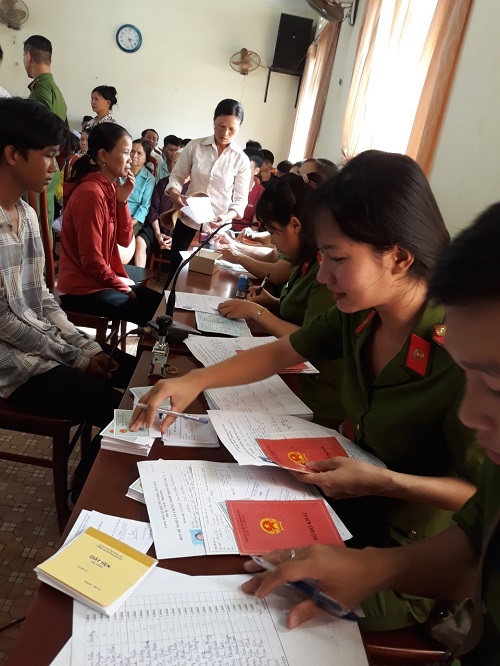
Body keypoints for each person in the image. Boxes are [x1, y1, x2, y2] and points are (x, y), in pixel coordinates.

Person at [131, 150, 483, 632]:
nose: (322, 276)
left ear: (399, 258)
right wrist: (193, 380)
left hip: (413, 554)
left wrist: (385, 482)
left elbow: (481, 498)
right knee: (223, 551)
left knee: (253, 608)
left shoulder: (466, 354)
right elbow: (281, 351)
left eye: (337, 259)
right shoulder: (361, 312)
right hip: (343, 504)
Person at [242, 206, 500, 664]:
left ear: (399, 259)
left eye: (496, 386)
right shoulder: (362, 315)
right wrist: (375, 567)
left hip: (404, 534)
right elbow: (475, 542)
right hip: (371, 525)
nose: (470, 411)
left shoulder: (436, 340)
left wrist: (383, 542)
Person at [0, 97, 137, 502]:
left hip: (36, 347)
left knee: (133, 374)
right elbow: (4, 321)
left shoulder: (26, 215)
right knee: (115, 407)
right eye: (47, 156)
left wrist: (86, 347)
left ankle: (90, 479)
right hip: (10, 365)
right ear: (12, 154)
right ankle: (85, 496)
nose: (55, 168)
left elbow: (42, 298)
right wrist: (75, 358)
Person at [218, 172, 344, 427]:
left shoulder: (324, 271)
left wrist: (256, 312)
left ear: (295, 225)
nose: (274, 242)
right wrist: (273, 302)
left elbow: (311, 339)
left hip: (314, 393)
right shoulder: (305, 259)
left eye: (275, 232)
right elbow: (306, 314)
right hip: (296, 375)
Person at [58, 122, 162, 325]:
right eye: (126, 153)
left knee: (161, 304)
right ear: (103, 155)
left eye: (133, 153)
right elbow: (91, 261)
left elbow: (124, 239)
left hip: (98, 280)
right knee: (154, 315)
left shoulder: (109, 187)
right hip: (81, 289)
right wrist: (123, 287)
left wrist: (121, 201)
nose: (131, 159)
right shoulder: (91, 193)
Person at [165, 98, 251, 283]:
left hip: (217, 230)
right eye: (221, 126)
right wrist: (174, 194)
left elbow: (240, 200)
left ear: (239, 129)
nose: (225, 133)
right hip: (188, 222)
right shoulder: (195, 146)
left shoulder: (241, 159)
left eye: (232, 129)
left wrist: (226, 216)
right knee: (175, 276)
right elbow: (177, 176)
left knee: (207, 282)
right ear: (213, 121)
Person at [23, 35, 68, 230]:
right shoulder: (55, 91)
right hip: (50, 164)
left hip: (38, 166)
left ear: (28, 57)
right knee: (43, 225)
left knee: (33, 226)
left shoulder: (40, 92)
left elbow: (38, 137)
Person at [231, 148, 264, 232]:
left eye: (246, 168)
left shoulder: (260, 192)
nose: (241, 170)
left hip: (242, 233)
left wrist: (248, 237)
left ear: (256, 171)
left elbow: (255, 223)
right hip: (222, 228)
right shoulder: (228, 184)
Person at [127, 139, 155, 235]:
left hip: (134, 218)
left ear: (146, 158)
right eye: (132, 151)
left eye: (139, 153)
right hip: (114, 213)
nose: (134, 156)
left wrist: (132, 222)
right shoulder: (118, 171)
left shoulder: (149, 179)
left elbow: (145, 206)